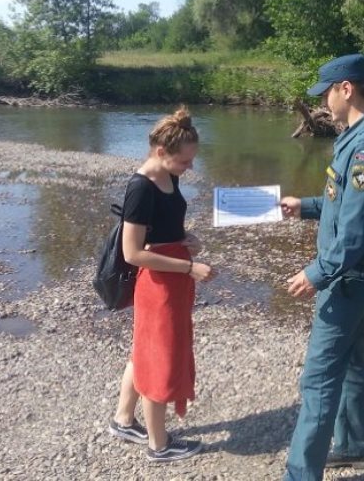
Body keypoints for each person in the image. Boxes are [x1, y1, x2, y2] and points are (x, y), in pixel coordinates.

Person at [280, 54, 364, 481]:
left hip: (347, 278)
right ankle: (354, 444)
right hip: (352, 275)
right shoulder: (354, 137)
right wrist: (305, 206)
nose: (324, 103)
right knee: (350, 360)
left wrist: (316, 273)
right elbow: (340, 202)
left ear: (346, 89)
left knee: (318, 378)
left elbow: (357, 230)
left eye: (327, 92)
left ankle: (300, 475)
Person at [107, 106, 214, 463]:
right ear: (160, 153)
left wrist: (187, 237)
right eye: (185, 161)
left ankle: (123, 419)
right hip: (158, 285)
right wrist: (188, 269)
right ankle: (159, 445)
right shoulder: (140, 188)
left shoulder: (170, 177)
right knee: (159, 359)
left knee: (144, 350)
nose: (190, 167)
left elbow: (167, 225)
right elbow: (134, 253)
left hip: (174, 277)